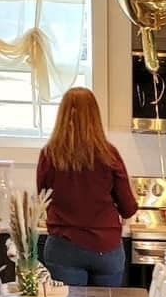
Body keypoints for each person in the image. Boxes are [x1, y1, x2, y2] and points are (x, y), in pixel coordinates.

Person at [35, 86, 138, 286]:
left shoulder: (49, 155)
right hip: (105, 249)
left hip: (63, 248)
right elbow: (128, 207)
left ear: (62, 116)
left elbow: (42, 200)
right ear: (95, 117)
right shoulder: (109, 154)